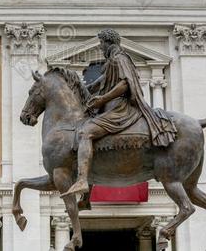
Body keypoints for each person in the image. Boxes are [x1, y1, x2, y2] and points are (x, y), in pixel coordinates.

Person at [62, 29, 177, 198]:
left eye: (101, 43)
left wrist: (101, 100)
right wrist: (82, 90)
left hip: (120, 109)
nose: (100, 47)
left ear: (109, 43)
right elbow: (100, 83)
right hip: (111, 108)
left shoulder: (119, 58)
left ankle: (82, 180)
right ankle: (87, 197)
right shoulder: (111, 63)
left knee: (85, 133)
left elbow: (124, 84)